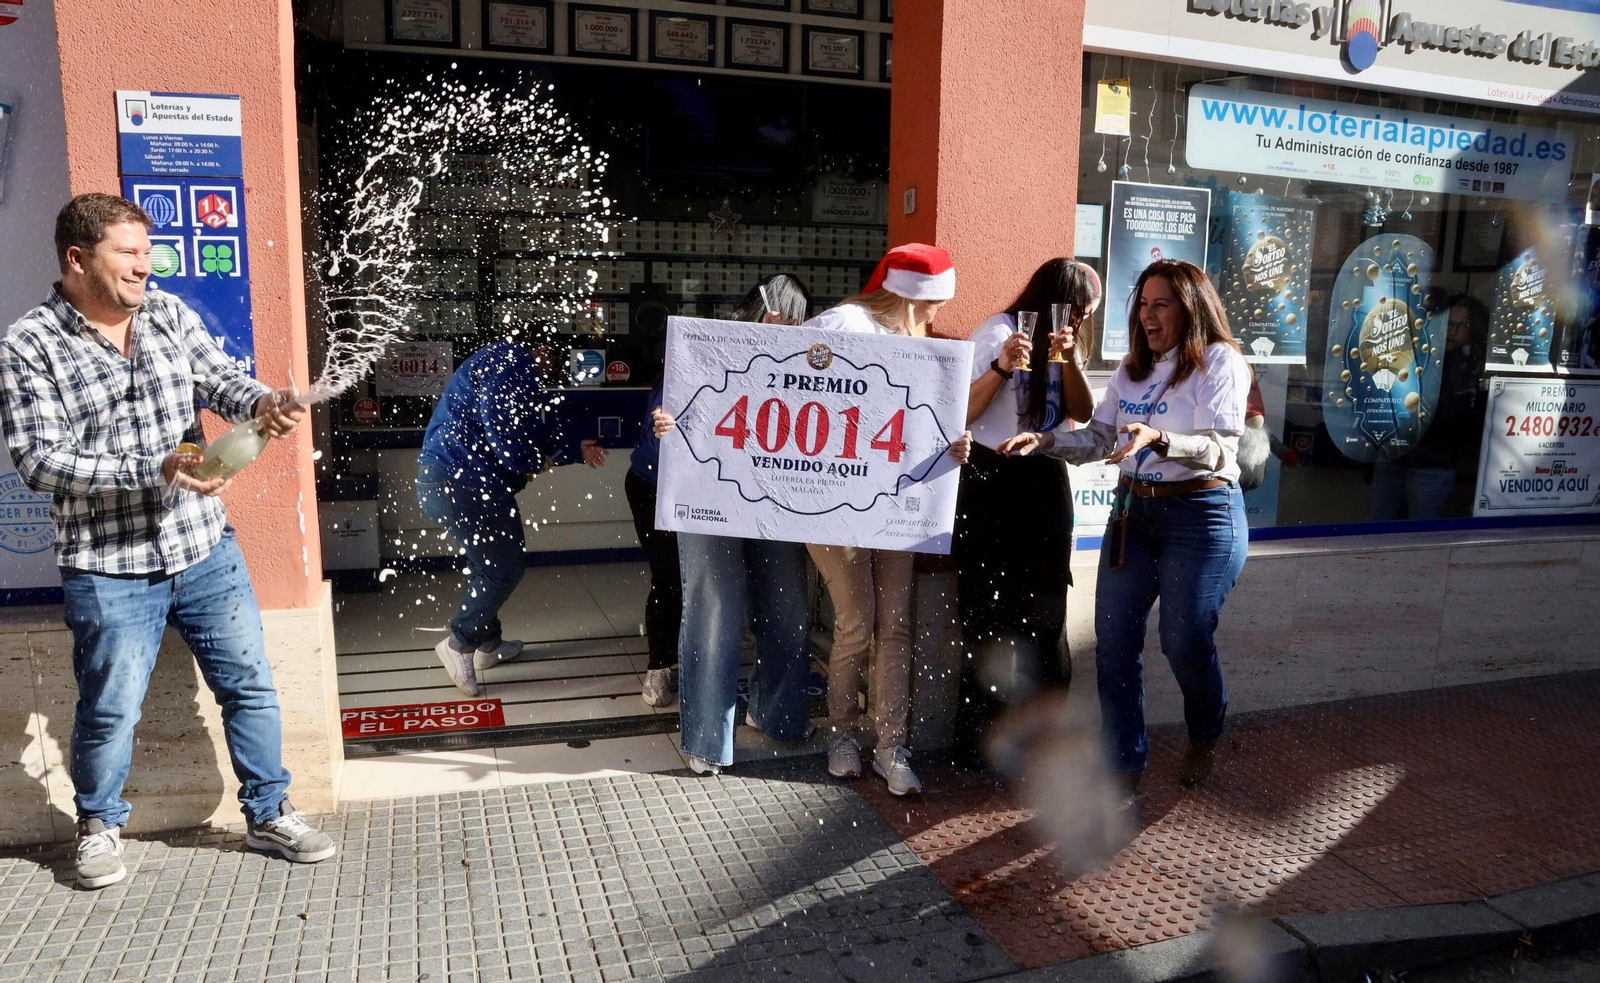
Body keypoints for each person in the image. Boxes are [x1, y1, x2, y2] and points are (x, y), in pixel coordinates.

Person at [0, 193, 335, 889]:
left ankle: (270, 812)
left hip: (203, 546)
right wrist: (152, 470)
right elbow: (38, 460)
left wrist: (263, 402)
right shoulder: (28, 344)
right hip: (107, 565)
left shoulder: (168, 313)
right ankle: (97, 825)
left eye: (147, 253)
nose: (143, 267)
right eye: (128, 253)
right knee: (110, 706)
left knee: (249, 685)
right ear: (77, 258)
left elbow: (219, 379)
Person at [999, 259, 1250, 792]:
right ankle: (1124, 764)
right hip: (1134, 513)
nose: (1148, 316)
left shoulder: (1220, 362)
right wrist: (1045, 442)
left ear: (1191, 308)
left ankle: (1205, 733)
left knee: (1183, 639)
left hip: (1201, 516)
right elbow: (1100, 438)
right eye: (1142, 304)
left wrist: (1158, 439)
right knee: (1114, 643)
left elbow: (1221, 450)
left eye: (1162, 305)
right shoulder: (1131, 369)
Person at [801, 243, 972, 797]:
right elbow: (785, 389)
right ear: (906, 294)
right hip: (836, 507)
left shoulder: (919, 343)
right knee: (858, 622)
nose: (936, 315)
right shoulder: (844, 322)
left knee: (894, 626)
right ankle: (843, 735)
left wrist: (953, 447)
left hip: (895, 505)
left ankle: (891, 746)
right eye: (931, 303)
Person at [651, 275, 817, 775]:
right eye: (779, 313)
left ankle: (780, 714)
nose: (784, 323)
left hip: (779, 494)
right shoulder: (710, 345)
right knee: (715, 606)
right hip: (710, 493)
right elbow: (666, 405)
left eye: (796, 318)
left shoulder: (810, 358)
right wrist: (664, 422)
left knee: (786, 603)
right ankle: (706, 737)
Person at [953, 259, 1099, 764]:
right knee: (985, 610)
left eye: (1084, 317)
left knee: (1045, 612)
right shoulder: (996, 332)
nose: (1078, 322)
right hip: (992, 477)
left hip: (1043, 474)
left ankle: (1044, 741)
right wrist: (1001, 368)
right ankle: (979, 741)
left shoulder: (1064, 340)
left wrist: (1070, 359)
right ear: (1052, 299)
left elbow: (1082, 413)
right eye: (1077, 311)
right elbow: (961, 413)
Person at [415, 339, 606, 696]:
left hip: (446, 480)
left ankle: (488, 644)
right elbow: (503, 432)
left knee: (487, 564)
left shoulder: (504, 367)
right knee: (503, 568)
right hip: (465, 482)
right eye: (552, 355)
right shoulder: (509, 360)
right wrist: (531, 462)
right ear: (541, 348)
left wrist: (570, 451)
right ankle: (459, 643)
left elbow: (526, 429)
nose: (552, 365)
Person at [628, 367, 683, 707]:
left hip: (700, 492)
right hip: (653, 486)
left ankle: (694, 648)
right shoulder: (675, 377)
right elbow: (658, 438)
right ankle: (658, 666)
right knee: (669, 577)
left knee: (698, 578)